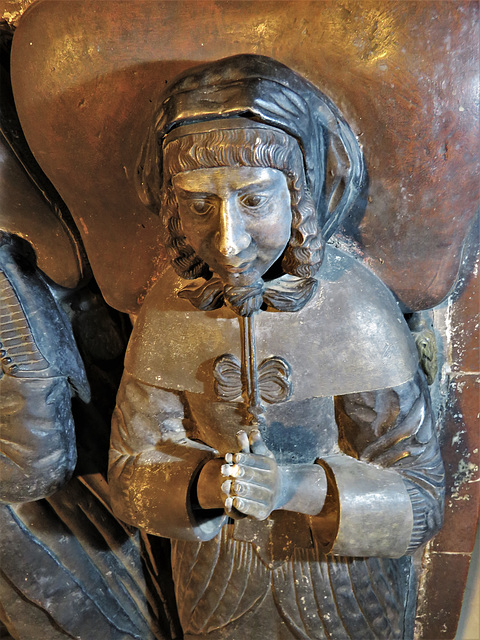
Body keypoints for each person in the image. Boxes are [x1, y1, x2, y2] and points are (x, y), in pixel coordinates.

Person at [108, 55, 445, 640]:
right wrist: (207, 486)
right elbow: (129, 470)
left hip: (340, 588)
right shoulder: (170, 306)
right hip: (216, 584)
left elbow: (420, 495)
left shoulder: (354, 309)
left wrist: (293, 488)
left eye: (255, 201)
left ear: (301, 196)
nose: (228, 242)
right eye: (197, 205)